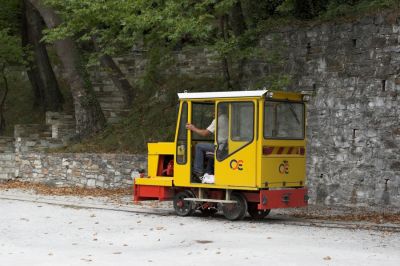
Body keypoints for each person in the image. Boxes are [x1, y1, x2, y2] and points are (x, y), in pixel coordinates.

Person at [186, 106, 228, 177]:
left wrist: (193, 128)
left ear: (220, 110)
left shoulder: (217, 120)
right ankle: (208, 172)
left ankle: (198, 171)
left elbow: (205, 133)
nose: (213, 113)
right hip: (224, 147)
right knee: (210, 152)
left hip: (219, 148)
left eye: (215, 111)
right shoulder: (226, 119)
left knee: (199, 146)